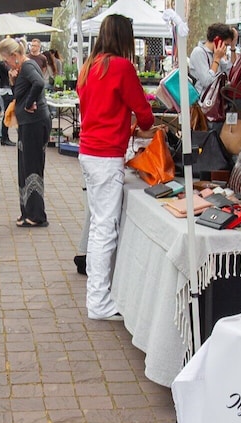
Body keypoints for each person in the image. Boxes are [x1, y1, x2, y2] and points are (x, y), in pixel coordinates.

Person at [75, 14, 154, 321]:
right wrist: (137, 123)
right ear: (125, 38)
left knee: (100, 225)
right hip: (107, 155)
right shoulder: (121, 67)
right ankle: (98, 301)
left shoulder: (89, 67)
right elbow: (144, 114)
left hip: (90, 151)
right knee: (104, 229)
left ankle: (99, 296)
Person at [0, 38, 50, 227]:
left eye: (6, 60)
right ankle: (28, 211)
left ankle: (36, 215)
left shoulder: (28, 66)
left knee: (31, 167)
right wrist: (14, 81)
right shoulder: (24, 68)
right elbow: (23, 91)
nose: (6, 64)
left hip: (34, 123)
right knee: (25, 167)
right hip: (29, 123)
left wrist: (29, 103)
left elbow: (38, 84)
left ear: (14, 55)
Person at [189, 23, 236, 91]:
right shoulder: (199, 52)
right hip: (203, 99)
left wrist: (233, 47)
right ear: (217, 40)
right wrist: (216, 59)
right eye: (225, 45)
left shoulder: (216, 54)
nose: (225, 48)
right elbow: (207, 82)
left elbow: (230, 73)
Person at [0, 51, 18, 147]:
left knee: (7, 113)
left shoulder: (3, 62)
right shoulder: (2, 62)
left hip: (6, 89)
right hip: (6, 89)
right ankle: (4, 137)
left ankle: (4, 136)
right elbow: (11, 72)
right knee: (8, 113)